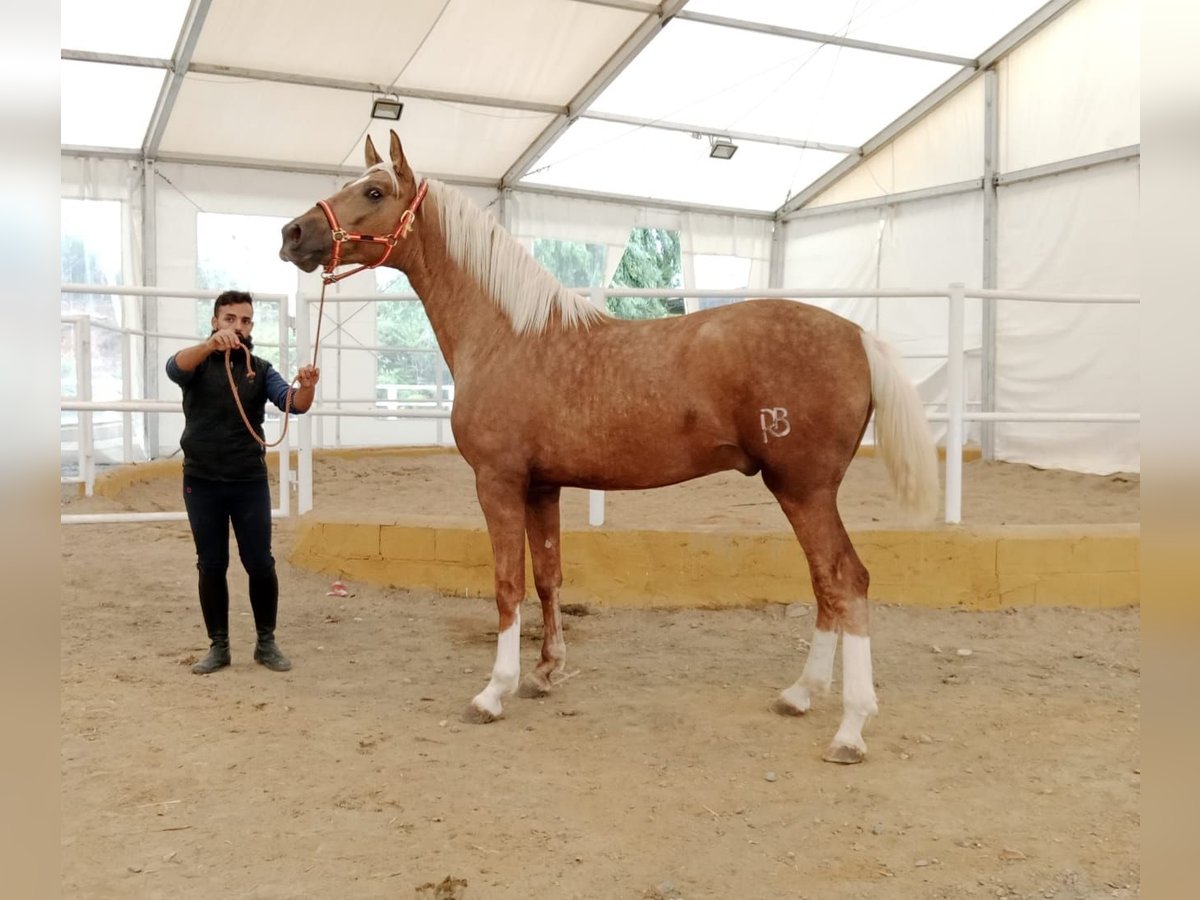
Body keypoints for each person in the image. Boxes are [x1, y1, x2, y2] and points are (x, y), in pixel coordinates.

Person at [166, 290, 319, 675]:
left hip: (247, 480)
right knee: (211, 564)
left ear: (252, 326)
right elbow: (174, 368)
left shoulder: (261, 368)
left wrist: (309, 385)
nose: (238, 326)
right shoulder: (198, 364)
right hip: (201, 480)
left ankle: (266, 642)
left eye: (246, 320)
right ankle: (219, 646)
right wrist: (208, 346)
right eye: (230, 318)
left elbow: (292, 403)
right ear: (215, 320)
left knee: (260, 563)